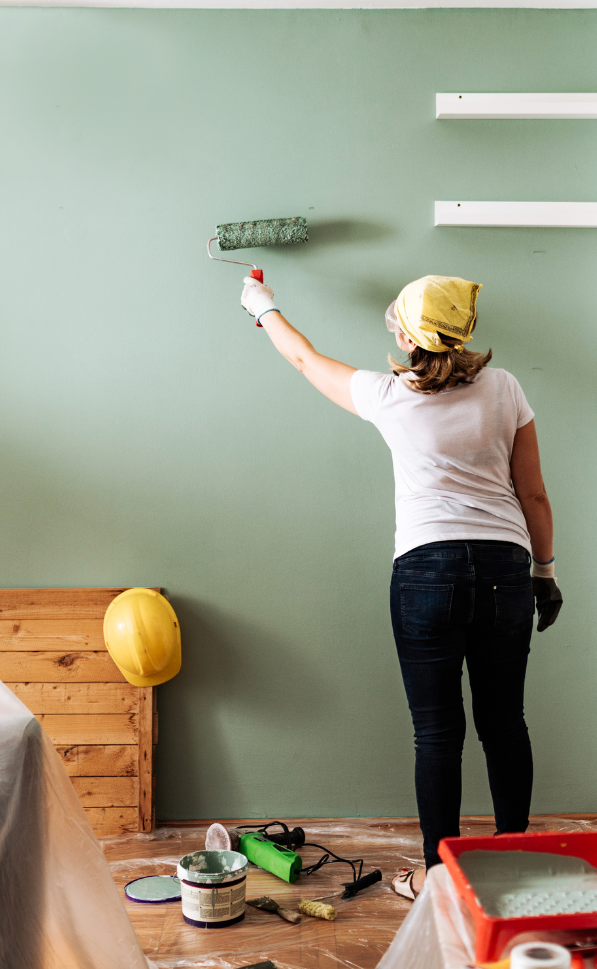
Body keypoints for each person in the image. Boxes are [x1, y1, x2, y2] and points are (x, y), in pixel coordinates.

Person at [239, 273, 563, 898]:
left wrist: (262, 306)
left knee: (437, 731)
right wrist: (544, 574)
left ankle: (440, 878)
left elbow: (305, 358)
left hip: (425, 574)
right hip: (505, 572)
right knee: (504, 722)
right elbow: (534, 493)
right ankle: (511, 864)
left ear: (408, 333)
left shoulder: (389, 394)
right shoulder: (505, 388)